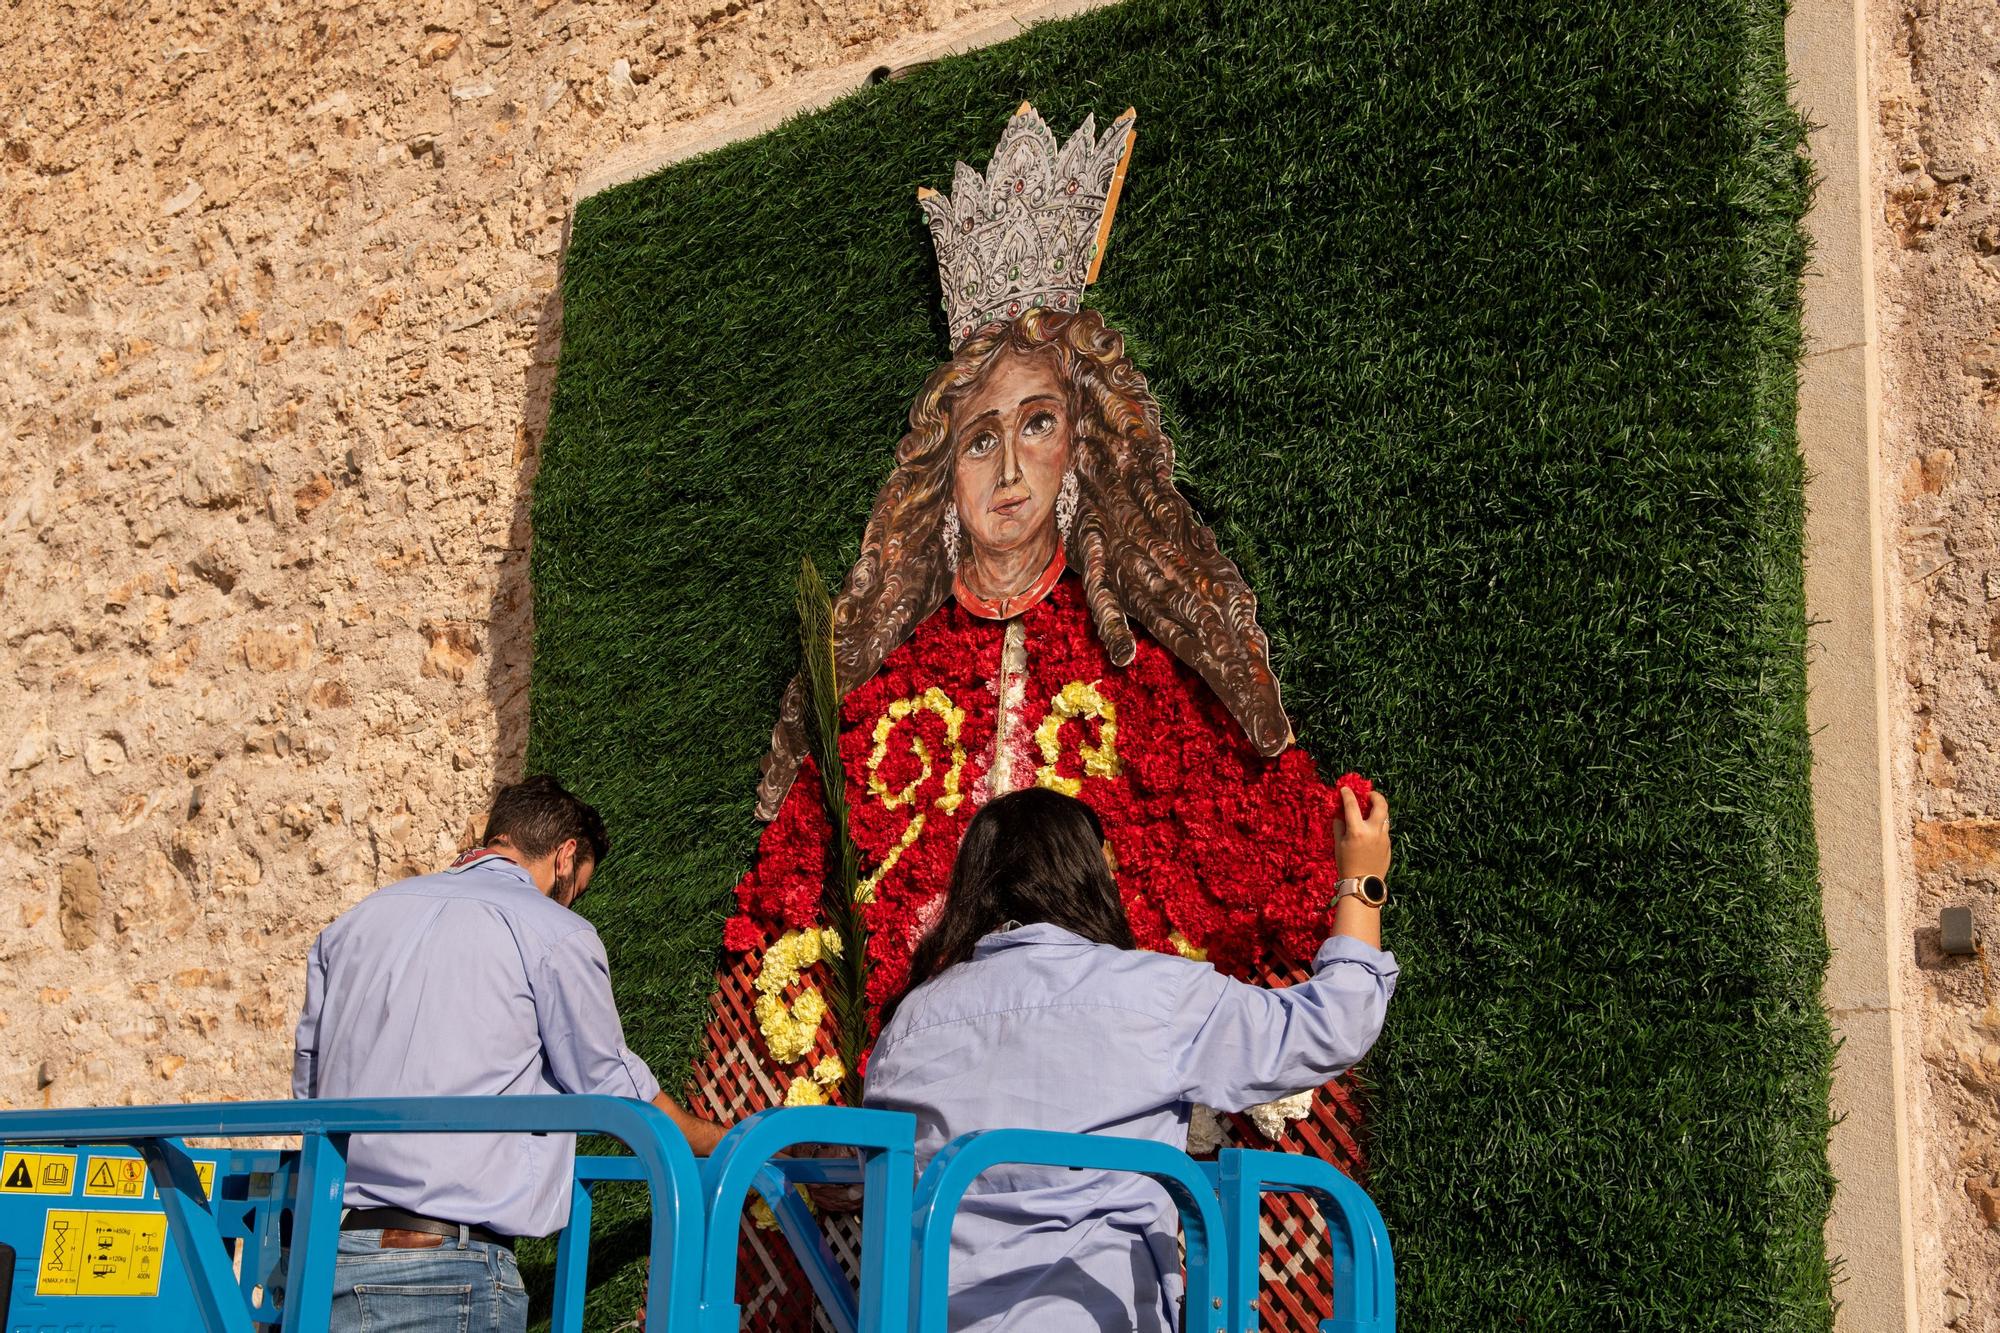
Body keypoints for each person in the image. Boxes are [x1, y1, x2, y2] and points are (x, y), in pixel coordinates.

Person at [862, 784, 1397, 1333]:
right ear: (1089, 881)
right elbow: (1333, 1022)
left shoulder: (909, 1024)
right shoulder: (1153, 997)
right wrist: (1362, 881)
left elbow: (877, 1174)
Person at [291, 774, 725, 1333]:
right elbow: (614, 1090)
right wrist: (727, 1141)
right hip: (447, 1270)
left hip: (331, 1256)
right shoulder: (552, 930)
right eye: (576, 889)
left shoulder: (354, 922)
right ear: (565, 857)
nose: (569, 900)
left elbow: (310, 1088)